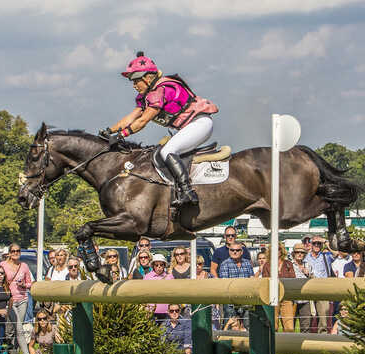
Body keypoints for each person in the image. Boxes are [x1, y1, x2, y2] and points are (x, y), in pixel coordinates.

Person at [102, 51, 219, 208]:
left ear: (148, 77)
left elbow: (143, 121)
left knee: (167, 151)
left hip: (200, 124)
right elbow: (133, 116)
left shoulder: (159, 91)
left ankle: (187, 192)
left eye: (136, 80)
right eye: (132, 81)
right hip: (191, 126)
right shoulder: (146, 95)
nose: (134, 85)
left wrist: (121, 135)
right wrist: (110, 131)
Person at [0, 244, 33, 354]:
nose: (15, 253)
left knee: (19, 326)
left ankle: (17, 352)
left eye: (18, 251)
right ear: (9, 253)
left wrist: (24, 284)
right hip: (10, 300)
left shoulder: (24, 266)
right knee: (14, 327)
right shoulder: (3, 265)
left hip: (23, 299)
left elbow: (30, 283)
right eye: (13, 251)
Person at [218, 242, 254, 329]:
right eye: (232, 250)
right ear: (229, 251)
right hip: (230, 302)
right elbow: (225, 285)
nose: (235, 252)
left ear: (242, 252)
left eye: (237, 250)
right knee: (230, 327)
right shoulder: (224, 264)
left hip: (246, 301)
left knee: (248, 327)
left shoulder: (247, 263)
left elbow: (252, 280)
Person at [261, 243, 296, 332]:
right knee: (274, 326)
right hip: (273, 298)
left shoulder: (288, 264)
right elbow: (265, 281)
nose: (276, 251)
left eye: (278, 249)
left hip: (286, 297)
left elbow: (293, 278)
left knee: (289, 326)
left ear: (282, 250)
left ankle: (287, 345)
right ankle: (273, 344)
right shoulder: (267, 265)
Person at [304, 236, 334, 333]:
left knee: (323, 319)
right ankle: (308, 340)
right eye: (314, 243)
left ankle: (322, 340)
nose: (317, 245)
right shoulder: (306, 257)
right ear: (311, 245)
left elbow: (338, 254)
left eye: (319, 243)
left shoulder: (327, 256)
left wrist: (325, 242)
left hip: (322, 288)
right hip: (308, 288)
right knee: (307, 319)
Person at [144, 254, 173, 323]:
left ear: (164, 265)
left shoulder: (169, 277)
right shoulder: (147, 277)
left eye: (161, 265)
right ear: (153, 266)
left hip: (166, 310)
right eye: (156, 265)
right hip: (151, 311)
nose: (159, 267)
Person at [290, 244, 312, 332]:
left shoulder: (308, 265)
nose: (299, 254)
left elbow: (313, 280)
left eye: (302, 252)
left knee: (306, 325)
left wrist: (308, 274)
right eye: (297, 252)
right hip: (292, 298)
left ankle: (305, 344)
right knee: (290, 325)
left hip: (305, 298)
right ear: (293, 254)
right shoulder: (289, 264)